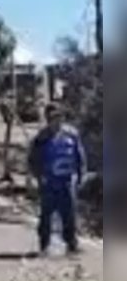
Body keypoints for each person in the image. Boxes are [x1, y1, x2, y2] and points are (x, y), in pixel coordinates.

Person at [27, 103, 87, 256]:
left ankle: (71, 245)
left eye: (60, 116)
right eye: (54, 117)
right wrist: (36, 179)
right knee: (46, 215)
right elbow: (32, 161)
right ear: (48, 119)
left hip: (66, 182)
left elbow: (80, 156)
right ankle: (44, 245)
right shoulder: (41, 139)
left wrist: (81, 175)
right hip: (48, 183)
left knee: (69, 214)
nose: (58, 120)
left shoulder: (72, 135)